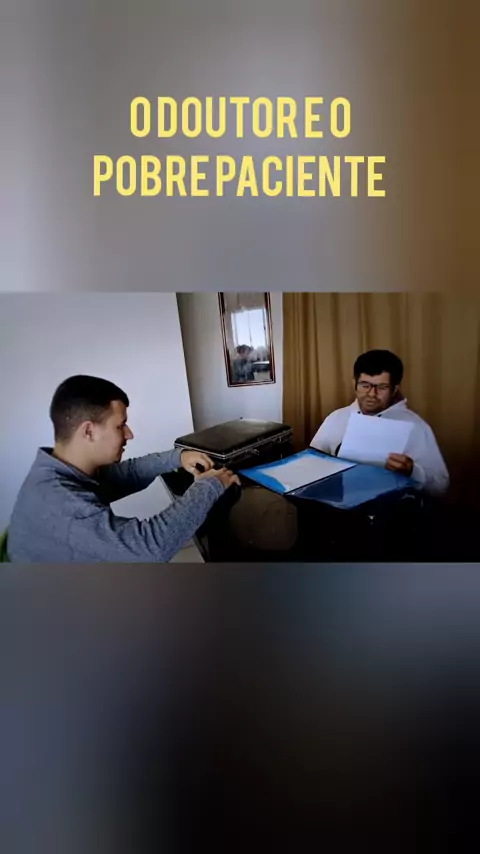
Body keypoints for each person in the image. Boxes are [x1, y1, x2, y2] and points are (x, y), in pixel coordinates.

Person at [7, 375, 240, 562]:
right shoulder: (61, 504)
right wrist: (210, 485)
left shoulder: (59, 470)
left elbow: (130, 473)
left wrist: (179, 457)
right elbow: (150, 548)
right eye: (121, 425)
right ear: (89, 431)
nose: (129, 434)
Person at [310, 349, 449, 496]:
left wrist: (412, 471)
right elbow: (311, 465)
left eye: (382, 387)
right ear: (354, 383)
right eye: (365, 385)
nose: (371, 394)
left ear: (394, 389)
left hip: (393, 506)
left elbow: (440, 485)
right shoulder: (336, 418)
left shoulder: (415, 427)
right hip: (336, 502)